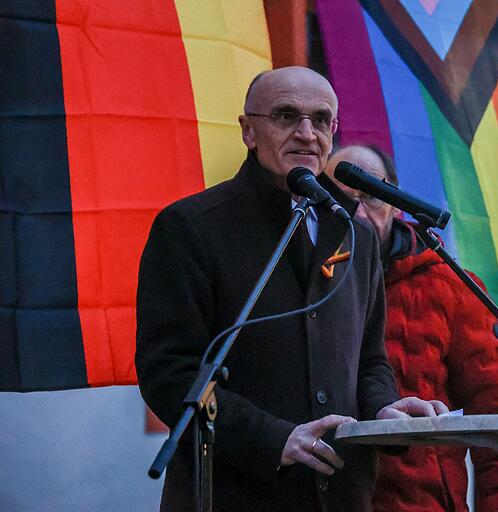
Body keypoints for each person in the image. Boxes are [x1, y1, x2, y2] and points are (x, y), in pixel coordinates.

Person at [135, 67, 446, 512]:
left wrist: (385, 409)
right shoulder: (191, 227)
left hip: (341, 494)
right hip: (234, 494)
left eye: (321, 120)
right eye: (285, 116)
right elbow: (169, 372)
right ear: (248, 130)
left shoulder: (354, 234)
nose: (306, 133)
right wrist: (275, 439)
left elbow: (369, 361)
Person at [327, 145, 498, 512]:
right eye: (341, 197)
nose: (358, 210)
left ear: (396, 202)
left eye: (372, 194)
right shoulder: (300, 286)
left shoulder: (451, 286)